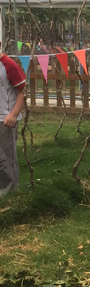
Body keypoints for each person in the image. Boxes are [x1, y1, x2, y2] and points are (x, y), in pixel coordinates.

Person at [0, 41, 26, 197]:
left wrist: (14, 114)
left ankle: (8, 194)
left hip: (5, 121)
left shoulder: (8, 64)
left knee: (5, 159)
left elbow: (22, 92)